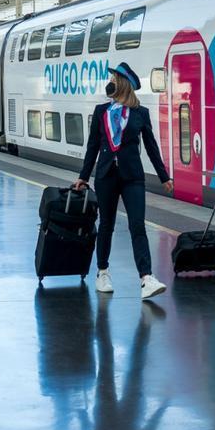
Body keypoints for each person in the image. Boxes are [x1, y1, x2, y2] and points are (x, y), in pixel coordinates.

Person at [72, 63, 173, 300]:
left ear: (123, 83)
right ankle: (103, 272)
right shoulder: (101, 112)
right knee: (106, 224)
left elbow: (151, 147)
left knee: (137, 225)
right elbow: (92, 147)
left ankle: (146, 278)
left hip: (132, 177)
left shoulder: (140, 114)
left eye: (114, 78)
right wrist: (83, 177)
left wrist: (164, 176)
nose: (111, 82)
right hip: (106, 176)